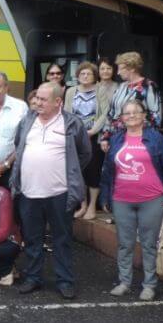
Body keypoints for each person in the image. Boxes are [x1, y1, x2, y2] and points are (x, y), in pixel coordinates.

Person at [10, 82, 91, 299]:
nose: (38, 102)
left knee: (62, 238)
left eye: (43, 99)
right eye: (37, 98)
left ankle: (64, 281)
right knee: (32, 239)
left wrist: (69, 172)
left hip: (59, 193)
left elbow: (84, 154)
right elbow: (19, 144)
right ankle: (33, 278)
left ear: (58, 102)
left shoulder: (72, 123)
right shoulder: (27, 120)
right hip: (28, 193)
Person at [100, 100, 163, 301]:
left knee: (149, 243)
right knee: (124, 244)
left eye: (136, 112)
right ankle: (124, 282)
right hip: (121, 199)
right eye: (127, 113)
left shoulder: (156, 139)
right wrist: (105, 195)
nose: (132, 115)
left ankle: (149, 285)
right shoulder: (116, 139)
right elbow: (108, 171)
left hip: (152, 199)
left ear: (145, 116)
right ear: (122, 118)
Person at [64, 62, 110, 220]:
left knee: (93, 170)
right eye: (82, 73)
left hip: (93, 136)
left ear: (94, 76)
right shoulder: (71, 91)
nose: (85, 76)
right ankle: (82, 205)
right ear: (77, 75)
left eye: (89, 74)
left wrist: (92, 131)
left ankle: (92, 206)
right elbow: (67, 113)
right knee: (78, 171)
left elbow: (104, 113)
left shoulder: (100, 90)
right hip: (75, 137)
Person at [101, 52, 163, 150]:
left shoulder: (149, 86)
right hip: (116, 139)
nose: (118, 72)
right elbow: (111, 113)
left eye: (121, 69)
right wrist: (105, 137)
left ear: (132, 68)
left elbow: (155, 118)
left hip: (139, 141)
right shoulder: (121, 87)